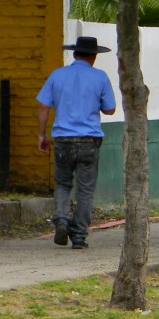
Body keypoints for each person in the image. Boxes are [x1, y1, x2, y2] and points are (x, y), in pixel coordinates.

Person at [37, 36, 117, 250]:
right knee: (85, 190)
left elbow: (44, 107)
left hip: (63, 139)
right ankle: (79, 236)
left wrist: (42, 136)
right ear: (93, 56)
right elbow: (110, 109)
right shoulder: (100, 77)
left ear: (74, 54)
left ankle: (62, 220)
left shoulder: (57, 75)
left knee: (63, 183)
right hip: (89, 140)